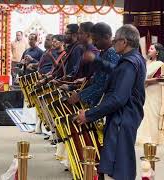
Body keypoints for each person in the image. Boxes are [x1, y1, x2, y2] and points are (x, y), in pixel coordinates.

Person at [76, 24, 146, 180]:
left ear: (124, 42)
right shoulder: (133, 59)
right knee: (119, 162)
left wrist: (89, 114)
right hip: (126, 116)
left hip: (123, 117)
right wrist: (97, 61)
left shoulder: (129, 63)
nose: (113, 43)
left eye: (116, 40)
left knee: (119, 167)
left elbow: (118, 98)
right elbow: (115, 72)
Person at [67, 22, 120, 107]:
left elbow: (102, 84)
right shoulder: (104, 51)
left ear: (106, 37)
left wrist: (80, 96)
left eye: (96, 40)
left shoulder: (111, 52)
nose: (94, 43)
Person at [137, 43, 164, 145]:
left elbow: (160, 78)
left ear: (157, 52)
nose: (149, 50)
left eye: (151, 48)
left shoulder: (160, 64)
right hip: (145, 90)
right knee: (144, 112)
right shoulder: (147, 62)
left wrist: (145, 81)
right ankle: (144, 137)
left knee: (153, 113)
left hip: (154, 90)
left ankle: (153, 138)